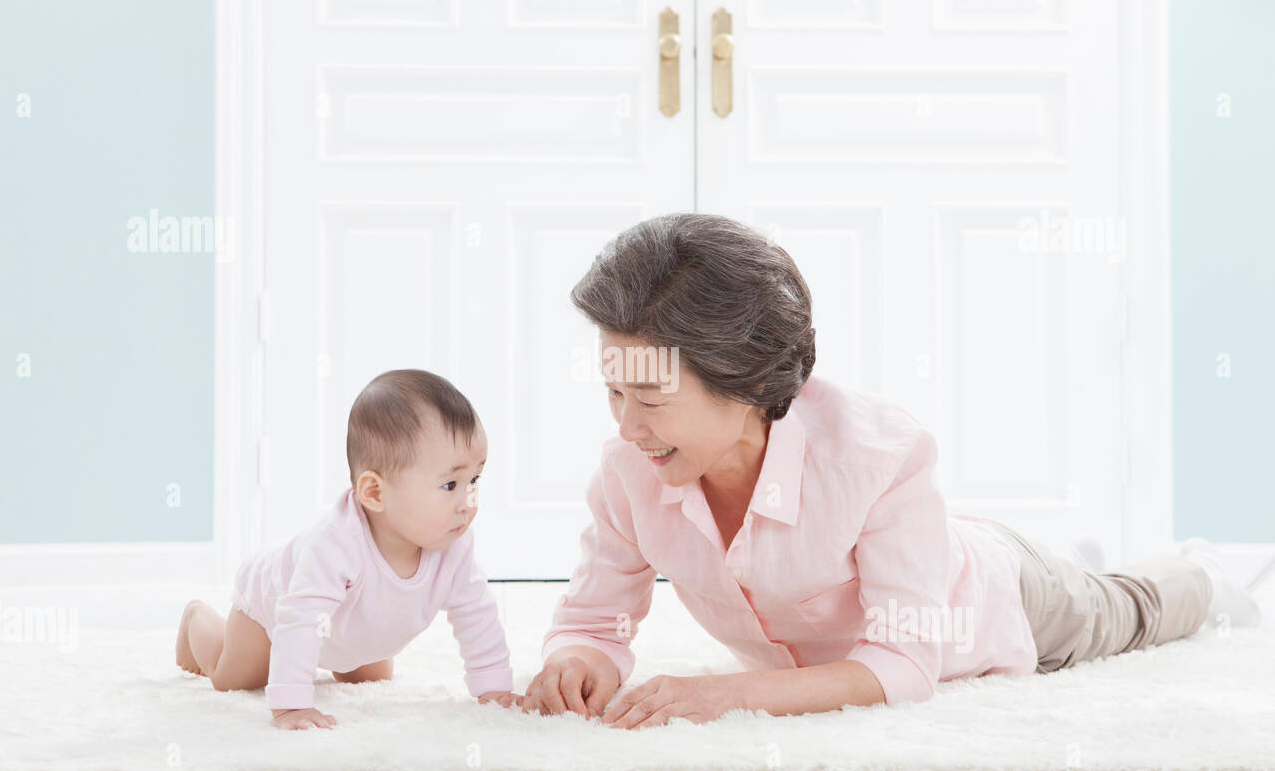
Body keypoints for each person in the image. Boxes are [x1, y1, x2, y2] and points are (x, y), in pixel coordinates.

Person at [521, 212, 1262, 729]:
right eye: (612, 392)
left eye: (650, 398)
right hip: (927, 547)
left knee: (1120, 612)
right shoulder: (629, 472)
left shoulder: (876, 457)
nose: (625, 426)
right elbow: (592, 619)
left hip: (995, 596)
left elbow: (905, 667)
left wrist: (732, 695)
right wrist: (577, 659)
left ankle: (1204, 572)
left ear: (747, 381)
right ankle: (1084, 561)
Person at [176, 369, 521, 729]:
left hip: (352, 632)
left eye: (474, 480)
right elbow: (302, 620)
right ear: (374, 493)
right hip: (273, 610)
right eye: (450, 484)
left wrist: (494, 689)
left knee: (370, 680)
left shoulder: (454, 543)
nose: (468, 500)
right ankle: (197, 620)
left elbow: (476, 613)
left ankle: (343, 658)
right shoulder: (337, 545)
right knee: (234, 680)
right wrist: (291, 705)